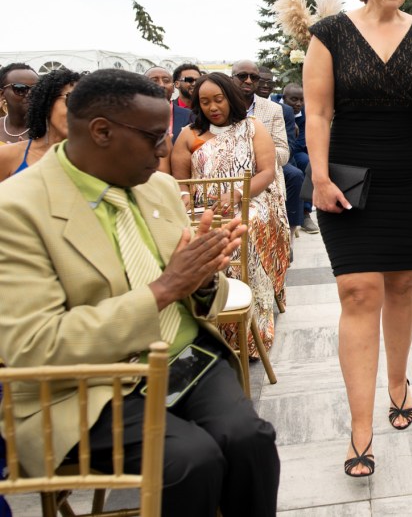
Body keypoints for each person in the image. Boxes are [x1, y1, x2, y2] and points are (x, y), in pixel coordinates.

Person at [0, 69, 279, 516]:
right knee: (191, 461)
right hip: (85, 387)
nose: (165, 150)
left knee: (251, 441)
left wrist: (204, 279)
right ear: (101, 132)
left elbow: (194, 292)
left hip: (183, 359)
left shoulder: (158, 187)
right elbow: (35, 346)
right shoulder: (16, 210)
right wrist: (165, 289)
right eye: (152, 138)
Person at [305, 0, 412, 478]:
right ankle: (360, 429)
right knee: (359, 291)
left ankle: (398, 380)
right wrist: (318, 178)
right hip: (347, 178)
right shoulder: (330, 34)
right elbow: (318, 113)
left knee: (403, 285)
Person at [170, 73, 290, 357]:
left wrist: (237, 195)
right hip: (204, 207)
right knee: (185, 236)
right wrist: (185, 199)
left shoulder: (252, 127)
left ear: (230, 98)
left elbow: (266, 173)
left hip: (253, 199)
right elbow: (180, 182)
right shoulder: (188, 135)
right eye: (205, 102)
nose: (213, 107)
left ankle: (247, 327)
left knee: (241, 230)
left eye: (218, 100)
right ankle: (204, 322)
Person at [230, 60, 304, 242]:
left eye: (254, 77)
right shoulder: (222, 105)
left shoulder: (274, 109)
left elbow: (284, 152)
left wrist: (254, 157)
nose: (248, 81)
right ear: (231, 78)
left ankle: (290, 233)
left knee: (295, 174)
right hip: (229, 174)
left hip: (267, 175)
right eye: (242, 76)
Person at [0, 69, 79, 182]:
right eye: (71, 100)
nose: (78, 110)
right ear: (47, 103)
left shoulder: (95, 162)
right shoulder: (9, 156)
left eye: (86, 104)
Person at [279, 83, 317, 234]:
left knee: (307, 164)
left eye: (302, 100)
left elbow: (301, 142)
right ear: (284, 98)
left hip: (296, 149)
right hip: (275, 148)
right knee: (293, 169)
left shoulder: (305, 114)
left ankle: (306, 213)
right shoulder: (273, 105)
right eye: (294, 99)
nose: (299, 104)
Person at [145, 66, 193, 142]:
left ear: (173, 88)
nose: (161, 85)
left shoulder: (190, 116)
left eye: (166, 81)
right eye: (154, 81)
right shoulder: (132, 117)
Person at [0, 63, 38, 143]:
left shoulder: (51, 130)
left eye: (36, 89)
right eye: (20, 89)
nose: (30, 94)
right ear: (2, 94)